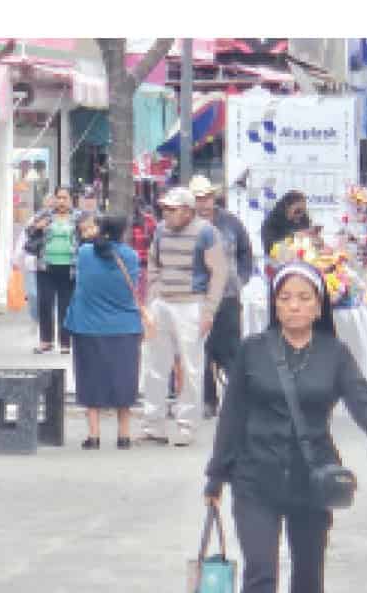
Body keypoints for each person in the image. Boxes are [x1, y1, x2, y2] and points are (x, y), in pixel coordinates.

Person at [205, 263, 367, 593]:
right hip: (254, 472)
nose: (293, 307)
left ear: (319, 307)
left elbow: (360, 397)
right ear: (274, 305)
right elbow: (232, 415)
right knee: (260, 561)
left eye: (303, 299)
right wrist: (216, 477)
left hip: (312, 476)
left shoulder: (334, 353)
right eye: (285, 298)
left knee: (308, 562)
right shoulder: (253, 351)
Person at [139, 187, 227, 447]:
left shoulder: (206, 232)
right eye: (164, 208)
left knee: (191, 367)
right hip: (163, 303)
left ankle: (187, 425)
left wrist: (209, 309)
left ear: (188, 211)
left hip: (191, 304)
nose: (166, 213)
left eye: (172, 209)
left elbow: (218, 272)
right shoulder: (160, 230)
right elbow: (153, 262)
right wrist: (153, 295)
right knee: (155, 364)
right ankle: (152, 424)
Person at [64, 214, 147, 449]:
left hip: (88, 324)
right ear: (124, 232)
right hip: (124, 325)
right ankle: (123, 435)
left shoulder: (84, 254)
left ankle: (94, 435)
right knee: (124, 379)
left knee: (91, 379)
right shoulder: (130, 257)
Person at [190, 176, 254, 419]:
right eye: (198, 198)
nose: (203, 203)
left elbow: (245, 251)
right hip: (199, 296)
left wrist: (242, 278)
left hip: (228, 295)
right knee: (202, 349)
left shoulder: (230, 223)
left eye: (206, 197)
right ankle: (208, 400)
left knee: (231, 349)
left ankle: (237, 399)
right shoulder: (188, 225)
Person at [25, 187, 80, 354]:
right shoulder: (44, 215)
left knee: (66, 305)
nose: (61, 201)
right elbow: (28, 232)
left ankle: (65, 342)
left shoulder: (77, 218)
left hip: (69, 268)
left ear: (71, 200)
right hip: (45, 266)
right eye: (59, 198)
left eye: (65, 198)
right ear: (54, 199)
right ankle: (45, 341)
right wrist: (37, 227)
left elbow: (87, 235)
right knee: (45, 303)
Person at [260, 190, 311, 264]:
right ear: (287, 206)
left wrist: (313, 237)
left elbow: (307, 242)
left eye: (303, 211)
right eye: (298, 211)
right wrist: (293, 236)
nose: (300, 214)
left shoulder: (303, 218)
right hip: (277, 263)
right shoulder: (272, 222)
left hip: (301, 261)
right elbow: (271, 247)